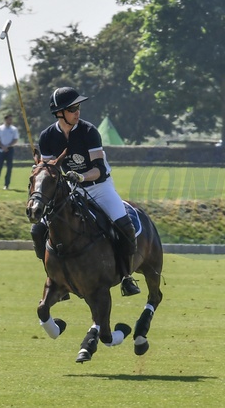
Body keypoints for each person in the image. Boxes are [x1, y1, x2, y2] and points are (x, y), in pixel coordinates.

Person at [32, 87, 140, 296]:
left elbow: (99, 169)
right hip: (72, 190)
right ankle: (54, 277)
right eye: (72, 109)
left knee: (125, 228)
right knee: (38, 231)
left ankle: (126, 276)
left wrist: (81, 176)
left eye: (78, 107)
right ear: (59, 113)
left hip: (100, 187)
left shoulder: (89, 131)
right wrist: (39, 168)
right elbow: (48, 169)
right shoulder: (47, 136)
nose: (77, 112)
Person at [0, 114, 19, 190]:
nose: (11, 121)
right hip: (1, 148)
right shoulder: (0, 128)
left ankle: (6, 185)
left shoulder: (14, 129)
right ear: (5, 120)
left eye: (11, 119)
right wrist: (2, 146)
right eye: (9, 119)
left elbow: (15, 139)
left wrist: (8, 146)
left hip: (10, 149)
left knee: (9, 168)